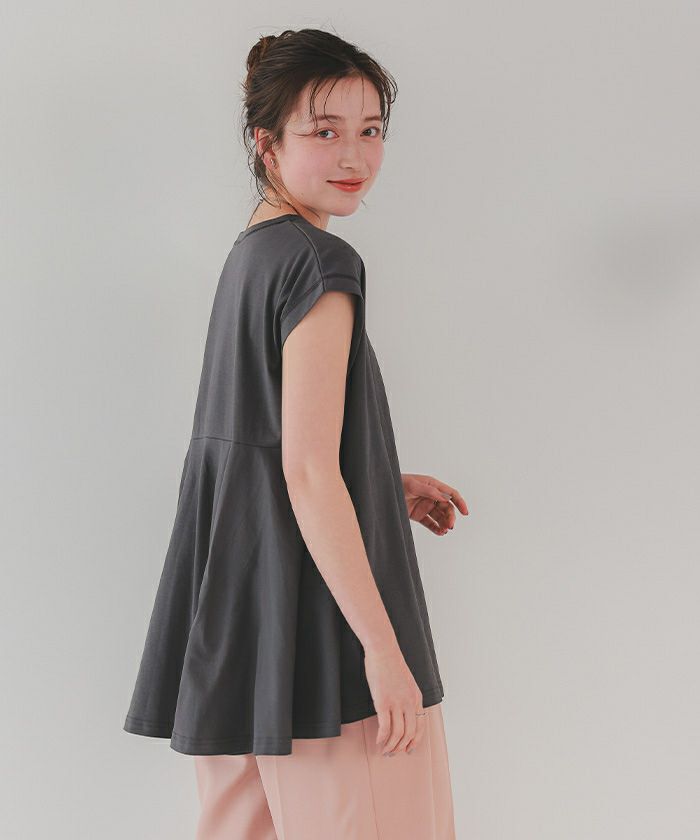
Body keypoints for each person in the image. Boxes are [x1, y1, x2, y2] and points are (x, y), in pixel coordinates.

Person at [123, 27, 468, 839]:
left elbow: (264, 454)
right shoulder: (319, 264)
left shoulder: (254, 256)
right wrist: (383, 651)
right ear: (266, 143)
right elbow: (307, 473)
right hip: (322, 648)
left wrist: (377, 481)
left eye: (370, 129)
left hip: (238, 637)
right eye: (324, 131)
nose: (354, 155)